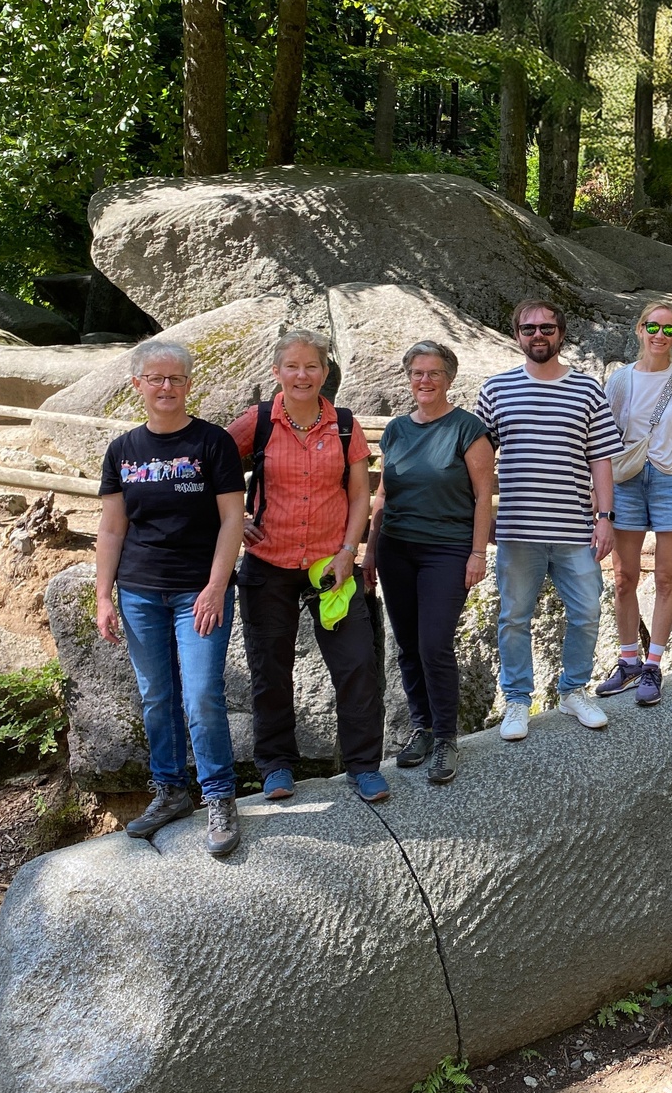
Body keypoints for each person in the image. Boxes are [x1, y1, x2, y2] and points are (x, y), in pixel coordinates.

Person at [95, 340, 245, 857]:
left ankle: (220, 796)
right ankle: (170, 790)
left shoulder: (212, 443)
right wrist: (103, 595)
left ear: (188, 384)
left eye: (176, 379)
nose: (166, 388)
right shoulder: (122, 450)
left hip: (199, 593)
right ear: (137, 384)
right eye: (156, 379)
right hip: (138, 592)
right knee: (157, 696)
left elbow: (232, 521)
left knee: (202, 693)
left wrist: (216, 586)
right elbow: (112, 528)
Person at [227, 330, 388, 803]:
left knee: (357, 664)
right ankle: (276, 765)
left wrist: (347, 551)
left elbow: (359, 494)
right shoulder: (256, 422)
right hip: (268, 563)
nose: (302, 375)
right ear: (276, 371)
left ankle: (363, 765)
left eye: (312, 366)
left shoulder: (343, 424)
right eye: (292, 366)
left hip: (331, 567)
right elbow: (209, 468)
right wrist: (237, 520)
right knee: (269, 668)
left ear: (325, 372)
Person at [475, 300, 623, 742]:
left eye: (546, 328)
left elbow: (601, 459)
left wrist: (605, 517)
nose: (538, 335)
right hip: (518, 531)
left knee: (588, 612)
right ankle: (517, 700)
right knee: (514, 616)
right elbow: (480, 462)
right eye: (528, 328)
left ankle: (573, 691)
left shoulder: (587, 390)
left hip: (575, 527)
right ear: (517, 334)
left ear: (561, 333)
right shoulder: (496, 390)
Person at [361, 341, 494, 785]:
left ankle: (445, 739)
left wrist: (478, 553)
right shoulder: (397, 430)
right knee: (407, 646)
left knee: (434, 643)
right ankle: (422, 727)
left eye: (433, 373)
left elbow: (483, 498)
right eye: (417, 373)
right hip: (396, 549)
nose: (424, 381)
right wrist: (370, 550)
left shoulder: (468, 429)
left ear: (449, 378)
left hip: (447, 550)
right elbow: (383, 495)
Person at [596, 304, 672, 706]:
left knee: (665, 578)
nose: (659, 335)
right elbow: (601, 441)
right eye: (652, 327)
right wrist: (599, 500)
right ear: (640, 329)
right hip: (626, 483)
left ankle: (653, 665)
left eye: (668, 329)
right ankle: (628, 660)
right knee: (625, 577)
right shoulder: (619, 380)